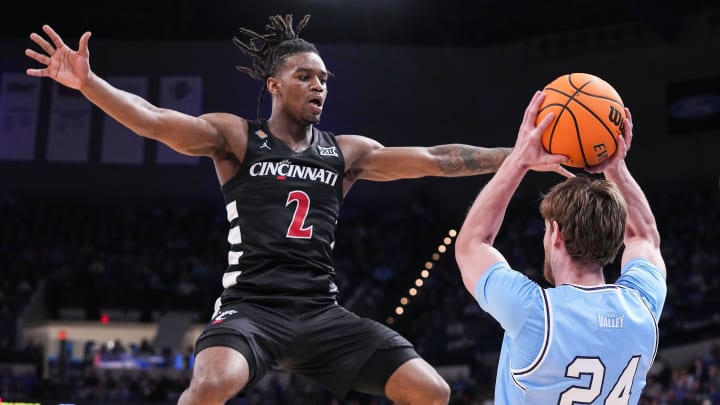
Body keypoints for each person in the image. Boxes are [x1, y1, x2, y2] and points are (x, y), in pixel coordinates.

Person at [25, 15, 570, 405]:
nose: (319, 85)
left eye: (325, 79)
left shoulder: (347, 152)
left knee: (431, 390)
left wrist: (520, 156)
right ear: (274, 84)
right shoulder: (236, 137)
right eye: (307, 76)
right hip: (250, 310)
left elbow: (437, 159)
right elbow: (152, 119)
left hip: (321, 314)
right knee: (210, 386)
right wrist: (88, 84)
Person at [454, 90, 667, 404]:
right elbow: (644, 237)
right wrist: (616, 168)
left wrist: (519, 160)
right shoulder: (642, 307)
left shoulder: (534, 312)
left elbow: (471, 244)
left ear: (555, 233)